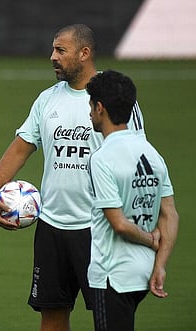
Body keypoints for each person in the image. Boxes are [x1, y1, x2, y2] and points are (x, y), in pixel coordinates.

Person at [0, 24, 145, 331]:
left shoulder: (114, 98)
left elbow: (136, 157)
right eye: (53, 49)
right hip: (52, 226)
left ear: (85, 53)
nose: (52, 57)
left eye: (61, 50)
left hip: (99, 230)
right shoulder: (47, 100)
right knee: (52, 317)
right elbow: (21, 147)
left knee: (109, 319)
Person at [86, 70, 179, 331]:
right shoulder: (151, 153)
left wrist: (150, 239)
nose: (90, 113)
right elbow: (169, 214)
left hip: (112, 275)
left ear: (100, 108)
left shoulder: (102, 158)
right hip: (144, 272)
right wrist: (160, 264)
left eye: (91, 106)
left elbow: (119, 224)